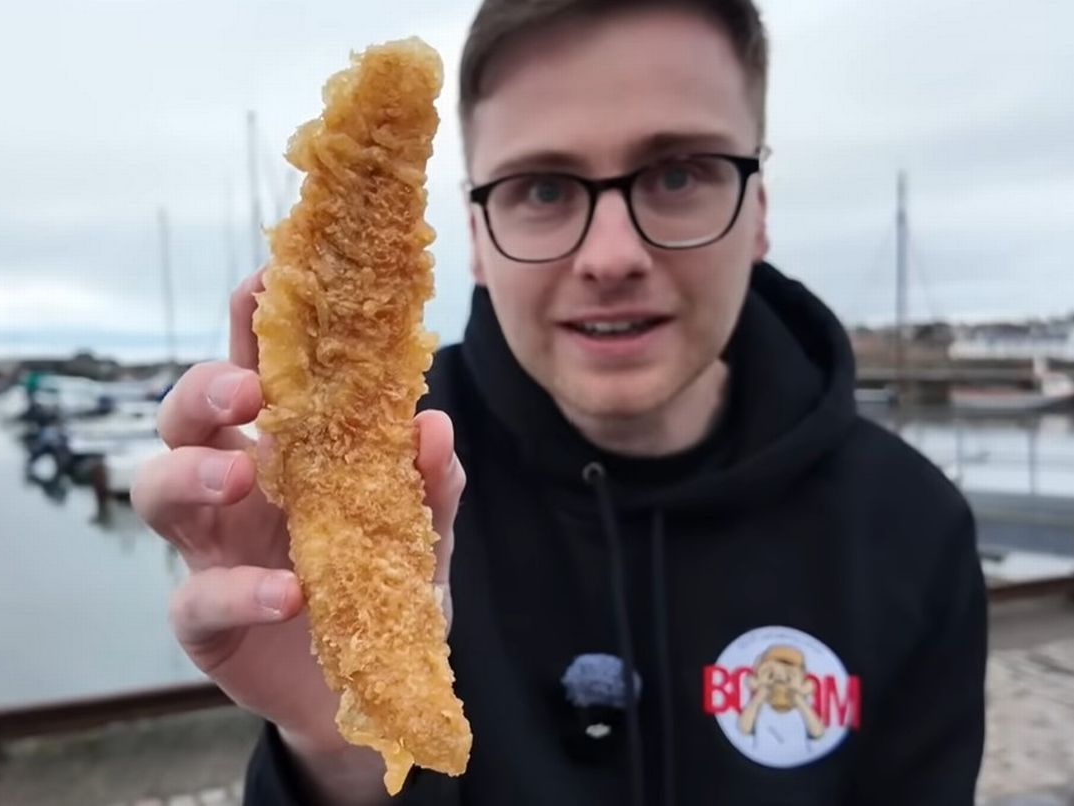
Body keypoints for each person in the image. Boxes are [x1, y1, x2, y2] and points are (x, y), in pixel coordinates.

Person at [131, 0, 988, 803]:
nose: (611, 255)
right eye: (543, 188)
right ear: (473, 236)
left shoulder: (915, 528)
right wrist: (338, 757)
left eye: (680, 173)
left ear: (757, 209)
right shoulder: (384, 493)